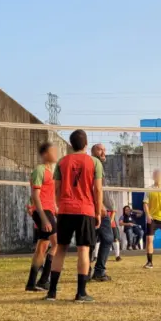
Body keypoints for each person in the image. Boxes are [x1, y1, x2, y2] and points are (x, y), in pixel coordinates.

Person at [47, 130, 102, 303]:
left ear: (71, 144)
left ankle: (52, 293)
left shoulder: (62, 162)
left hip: (65, 210)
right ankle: (81, 293)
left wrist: (59, 204)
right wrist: (98, 212)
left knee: (60, 249)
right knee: (83, 250)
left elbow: (56, 188)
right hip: (85, 210)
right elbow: (98, 190)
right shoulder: (94, 162)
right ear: (86, 144)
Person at [25, 142, 59, 292]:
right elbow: (35, 195)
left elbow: (46, 194)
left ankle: (32, 284)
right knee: (57, 243)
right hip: (43, 211)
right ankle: (43, 281)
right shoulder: (40, 170)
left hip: (48, 210)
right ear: (45, 153)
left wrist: (55, 208)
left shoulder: (49, 171)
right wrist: (43, 218)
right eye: (53, 151)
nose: (56, 153)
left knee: (42, 247)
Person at [90, 143, 115, 281]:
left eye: (104, 150)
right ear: (93, 151)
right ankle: (98, 271)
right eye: (100, 149)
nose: (103, 152)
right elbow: (94, 188)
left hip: (100, 209)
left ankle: (89, 271)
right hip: (97, 209)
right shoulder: (93, 164)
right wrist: (100, 207)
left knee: (92, 241)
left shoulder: (100, 167)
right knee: (106, 239)